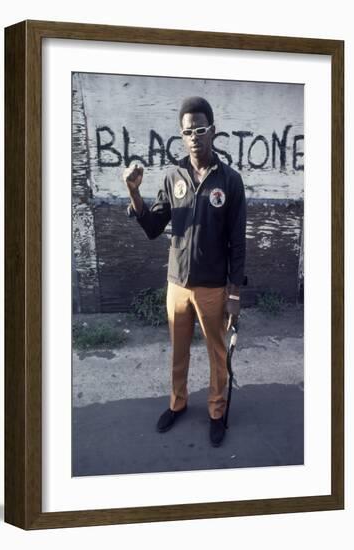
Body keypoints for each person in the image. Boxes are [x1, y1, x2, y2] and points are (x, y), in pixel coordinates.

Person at [123, 96, 246, 447]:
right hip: (176, 285)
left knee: (217, 355)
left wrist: (234, 293)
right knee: (178, 352)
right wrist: (134, 194)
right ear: (182, 135)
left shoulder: (230, 181)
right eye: (188, 131)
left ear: (213, 132)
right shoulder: (172, 176)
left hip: (212, 289)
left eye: (201, 129)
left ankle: (217, 411)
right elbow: (152, 226)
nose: (194, 137)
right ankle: (177, 404)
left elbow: (238, 242)